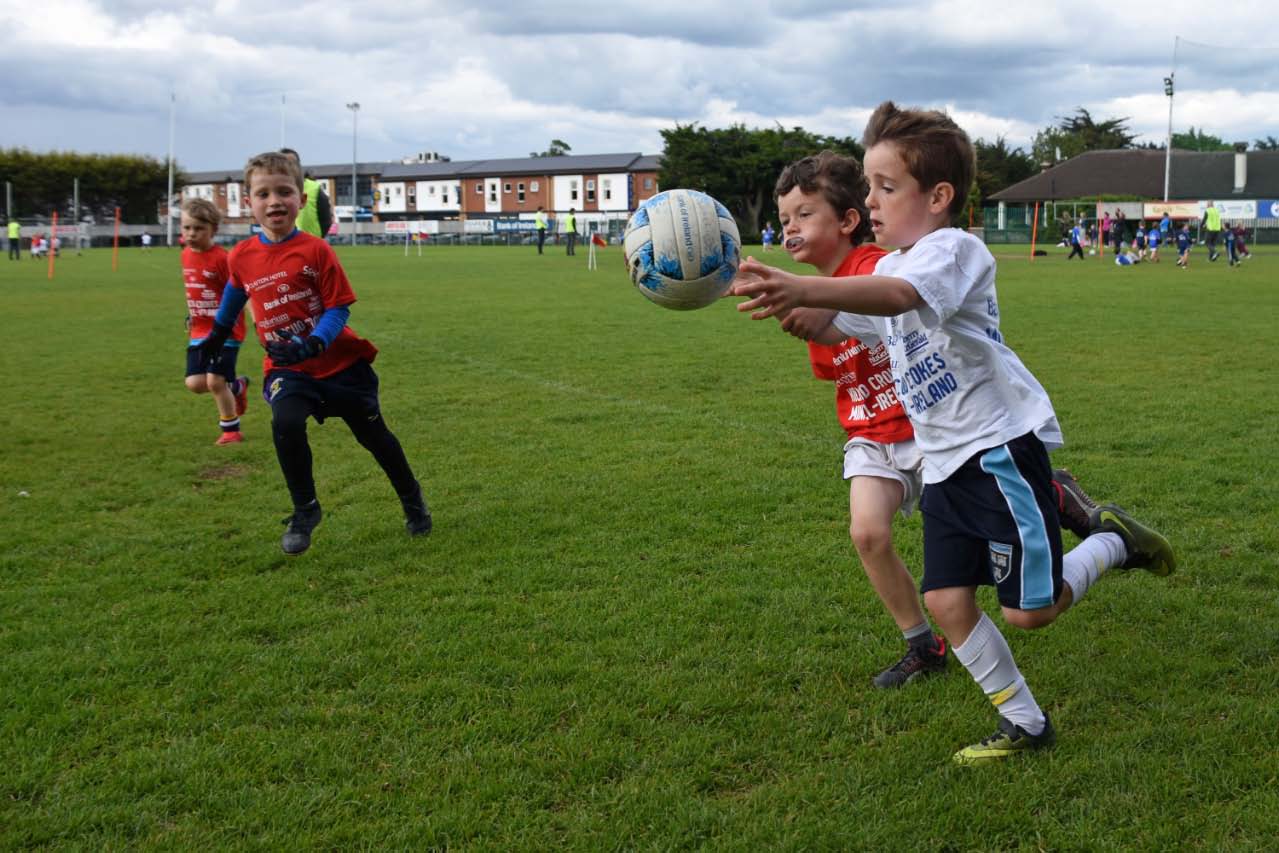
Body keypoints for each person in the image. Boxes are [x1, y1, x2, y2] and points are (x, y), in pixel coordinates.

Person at [731, 101, 1175, 764]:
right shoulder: (897, 265)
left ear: (937, 196)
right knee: (944, 598)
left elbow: (898, 297)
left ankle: (1109, 540)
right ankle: (1026, 724)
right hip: (941, 465)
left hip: (994, 450)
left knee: (1032, 611)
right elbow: (839, 326)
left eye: (885, 188)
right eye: (868, 187)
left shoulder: (950, 252)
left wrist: (802, 285)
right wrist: (767, 296)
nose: (870, 202)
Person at [768, 151, 947, 689]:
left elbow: (882, 299)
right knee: (868, 533)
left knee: (980, 543)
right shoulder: (811, 298)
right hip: (870, 432)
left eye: (804, 214)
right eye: (783, 221)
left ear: (848, 221)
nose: (790, 229)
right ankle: (923, 644)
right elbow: (837, 361)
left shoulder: (874, 266)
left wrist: (811, 299)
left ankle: (1054, 495)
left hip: (928, 430)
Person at [199, 151, 432, 555]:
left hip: (340, 365)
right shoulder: (241, 256)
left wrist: (316, 342)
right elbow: (234, 297)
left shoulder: (316, 251)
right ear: (248, 202)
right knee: (285, 421)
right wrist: (214, 338)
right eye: (263, 193)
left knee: (375, 437)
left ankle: (412, 499)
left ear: (301, 200)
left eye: (284, 191)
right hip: (289, 370)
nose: (274, 201)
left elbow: (338, 306)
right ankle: (305, 509)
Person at [181, 198, 250, 445]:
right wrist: (191, 314)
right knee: (195, 383)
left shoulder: (224, 259)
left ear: (213, 230)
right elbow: (195, 289)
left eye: (199, 228)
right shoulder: (186, 256)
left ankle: (231, 430)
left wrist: (255, 318)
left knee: (215, 381)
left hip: (227, 331)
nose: (191, 233)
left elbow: (241, 290)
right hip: (199, 331)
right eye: (187, 227)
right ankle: (238, 386)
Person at [280, 148, 333, 238]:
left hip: (311, 246)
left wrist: (316, 240)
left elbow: (326, 220)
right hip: (282, 246)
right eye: (283, 163)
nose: (288, 167)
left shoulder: (314, 188)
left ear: (299, 165)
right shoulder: (272, 191)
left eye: (291, 163)